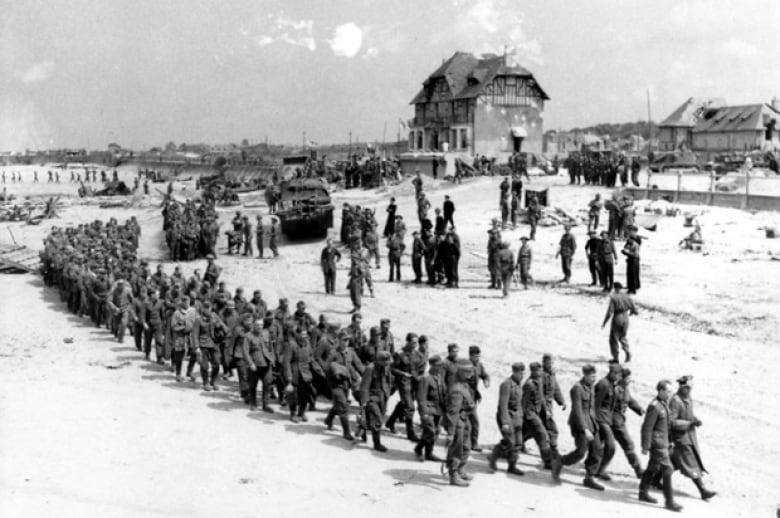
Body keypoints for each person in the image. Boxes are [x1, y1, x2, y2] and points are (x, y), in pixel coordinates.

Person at [552, 364, 604, 491]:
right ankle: (560, 461)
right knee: (581, 452)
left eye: (595, 376)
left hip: (592, 423)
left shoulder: (590, 386)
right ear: (585, 375)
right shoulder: (577, 389)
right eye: (592, 376)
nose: (594, 379)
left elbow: (591, 407)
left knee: (597, 450)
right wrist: (585, 429)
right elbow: (577, 411)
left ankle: (589, 478)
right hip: (579, 424)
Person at [669, 375, 716, 500]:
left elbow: (688, 415)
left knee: (675, 461)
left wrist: (695, 420)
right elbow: (672, 422)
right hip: (681, 438)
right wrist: (689, 424)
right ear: (681, 387)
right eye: (687, 388)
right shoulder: (676, 401)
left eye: (690, 387)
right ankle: (703, 490)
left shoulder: (688, 399)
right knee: (691, 462)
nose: (689, 390)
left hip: (690, 436)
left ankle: (653, 478)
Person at [638, 380, 683, 512]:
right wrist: (645, 446)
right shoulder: (655, 406)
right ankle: (669, 501)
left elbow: (666, 426)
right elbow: (647, 427)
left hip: (663, 443)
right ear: (661, 391)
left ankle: (642, 492)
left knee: (653, 467)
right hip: (657, 444)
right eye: (668, 391)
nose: (670, 393)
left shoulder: (664, 404)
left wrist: (670, 441)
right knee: (668, 469)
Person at [487, 362, 526, 475]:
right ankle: (493, 456)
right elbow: (503, 405)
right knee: (510, 441)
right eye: (520, 373)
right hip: (506, 417)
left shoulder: (519, 385)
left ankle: (512, 466)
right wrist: (505, 422)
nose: (522, 376)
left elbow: (519, 404)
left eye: (523, 373)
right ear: (514, 372)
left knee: (518, 443)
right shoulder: (506, 384)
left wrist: (521, 417)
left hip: (516, 418)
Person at [446, 359, 476, 487]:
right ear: (460, 371)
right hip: (457, 421)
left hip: (464, 419)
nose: (470, 375)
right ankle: (453, 475)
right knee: (456, 449)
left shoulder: (464, 384)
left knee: (466, 446)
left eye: (471, 372)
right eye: (467, 372)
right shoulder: (457, 389)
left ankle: (460, 469)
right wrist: (451, 433)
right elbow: (452, 412)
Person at [593, 363, 623, 481]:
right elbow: (595, 404)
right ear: (612, 373)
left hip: (607, 419)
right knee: (611, 446)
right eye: (618, 375)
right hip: (600, 419)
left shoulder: (613, 385)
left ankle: (596, 469)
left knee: (598, 447)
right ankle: (599, 470)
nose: (619, 377)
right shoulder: (604, 384)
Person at [413, 355, 445, 462]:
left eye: (441, 365)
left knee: (434, 432)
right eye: (438, 365)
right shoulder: (425, 378)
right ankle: (418, 449)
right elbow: (421, 398)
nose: (440, 367)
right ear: (431, 365)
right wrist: (424, 413)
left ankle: (428, 453)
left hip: (437, 409)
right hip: (428, 410)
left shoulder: (439, 377)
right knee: (430, 431)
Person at [360, 350, 393, 452]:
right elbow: (364, 387)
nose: (387, 364)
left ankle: (362, 427)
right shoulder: (370, 369)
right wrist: (364, 402)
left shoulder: (386, 367)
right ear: (379, 361)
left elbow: (389, 380)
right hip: (372, 397)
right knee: (377, 420)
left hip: (383, 397)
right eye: (385, 362)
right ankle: (377, 443)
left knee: (376, 419)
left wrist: (388, 392)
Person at [601, 282, 638, 363]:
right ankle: (627, 352)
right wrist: (631, 312)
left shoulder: (613, 297)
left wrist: (604, 322)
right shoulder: (627, 296)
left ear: (615, 288)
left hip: (617, 317)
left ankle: (616, 358)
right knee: (623, 336)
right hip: (626, 317)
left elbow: (610, 312)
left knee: (614, 338)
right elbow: (635, 310)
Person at [622, 228, 641, 294]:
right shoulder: (629, 243)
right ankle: (630, 287)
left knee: (633, 274)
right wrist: (624, 252)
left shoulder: (636, 244)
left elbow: (635, 254)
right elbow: (625, 247)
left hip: (634, 260)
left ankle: (633, 289)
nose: (628, 240)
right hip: (630, 260)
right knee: (629, 274)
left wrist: (628, 252)